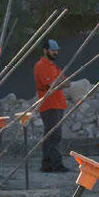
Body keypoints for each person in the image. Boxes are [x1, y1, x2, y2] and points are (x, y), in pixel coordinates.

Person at [32, 39, 70, 172]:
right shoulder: (41, 66)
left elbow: (67, 83)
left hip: (58, 104)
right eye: (53, 50)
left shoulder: (54, 67)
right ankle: (56, 165)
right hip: (49, 105)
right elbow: (51, 86)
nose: (55, 52)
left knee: (50, 135)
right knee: (54, 136)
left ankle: (47, 165)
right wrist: (58, 82)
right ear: (45, 50)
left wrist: (58, 82)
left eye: (56, 50)